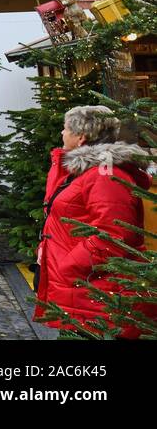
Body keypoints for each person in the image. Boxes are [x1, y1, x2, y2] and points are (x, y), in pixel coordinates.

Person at [35, 105, 153, 338]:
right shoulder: (82, 170)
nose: (61, 133)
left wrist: (69, 266)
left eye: (66, 128)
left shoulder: (105, 175)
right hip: (82, 287)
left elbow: (113, 235)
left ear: (81, 137)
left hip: (96, 289)